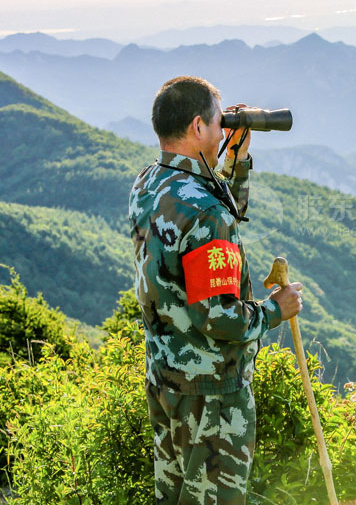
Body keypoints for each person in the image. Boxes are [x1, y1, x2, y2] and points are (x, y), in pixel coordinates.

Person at [129, 76, 303, 504]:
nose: (223, 129)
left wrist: (236, 161)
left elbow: (216, 215)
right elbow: (219, 317)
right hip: (210, 395)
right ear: (197, 128)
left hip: (165, 378)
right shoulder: (205, 211)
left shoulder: (149, 183)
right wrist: (274, 310)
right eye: (216, 122)